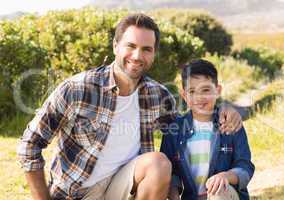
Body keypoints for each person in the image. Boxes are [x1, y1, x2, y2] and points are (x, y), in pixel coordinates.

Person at [17, 13, 242, 200]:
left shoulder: (158, 96)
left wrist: (222, 110)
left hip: (125, 189)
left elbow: (186, 128)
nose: (137, 55)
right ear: (116, 46)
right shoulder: (78, 89)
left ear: (153, 53)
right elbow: (30, 145)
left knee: (158, 164)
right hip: (76, 193)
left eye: (146, 49)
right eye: (130, 46)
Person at [160, 59, 255, 200]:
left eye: (205, 90)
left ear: (217, 91)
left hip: (225, 195)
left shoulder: (230, 124)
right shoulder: (174, 131)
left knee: (219, 192)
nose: (199, 97)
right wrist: (174, 196)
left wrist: (226, 176)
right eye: (192, 91)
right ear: (184, 95)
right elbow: (170, 172)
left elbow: (245, 166)